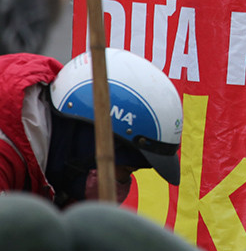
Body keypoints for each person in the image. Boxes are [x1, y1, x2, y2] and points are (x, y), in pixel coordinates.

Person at [0, 48, 183, 207]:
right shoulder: (6, 149)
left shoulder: (60, 160)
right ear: (93, 142)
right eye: (126, 169)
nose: (123, 185)